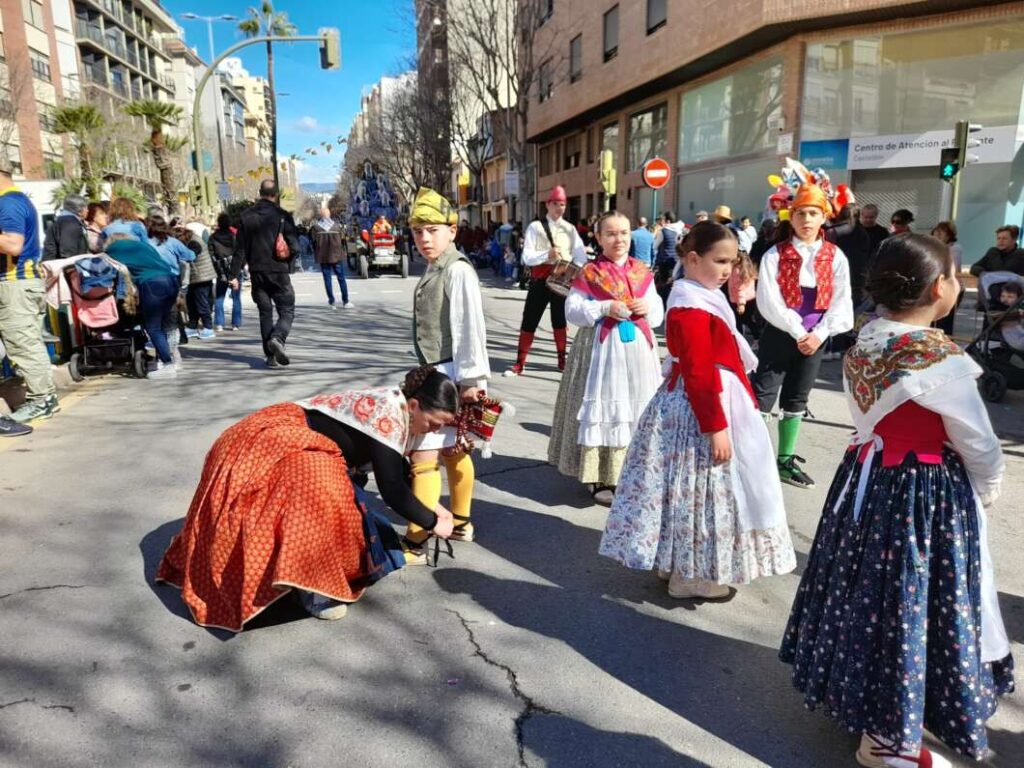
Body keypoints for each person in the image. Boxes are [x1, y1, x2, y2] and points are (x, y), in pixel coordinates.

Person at [780, 234, 1013, 768]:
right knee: (911, 603)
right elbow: (978, 441)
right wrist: (988, 488)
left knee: (868, 595)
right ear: (938, 288)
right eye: (952, 276)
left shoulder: (866, 340)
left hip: (869, 479)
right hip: (921, 492)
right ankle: (889, 739)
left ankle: (865, 702)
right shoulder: (937, 358)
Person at [156, 365, 460, 630]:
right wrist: (433, 522)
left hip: (308, 442)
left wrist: (432, 508)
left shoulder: (401, 407)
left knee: (339, 501)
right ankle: (310, 588)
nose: (434, 431)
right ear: (414, 405)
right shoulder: (389, 414)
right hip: (281, 437)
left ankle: (303, 576)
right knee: (320, 495)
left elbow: (396, 469)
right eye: (434, 423)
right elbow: (391, 488)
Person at [599, 222, 794, 598]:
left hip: (696, 401)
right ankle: (691, 576)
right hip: (701, 407)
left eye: (731, 262)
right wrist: (716, 426)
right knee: (701, 491)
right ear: (692, 259)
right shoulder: (691, 306)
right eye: (719, 261)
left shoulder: (699, 296)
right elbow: (699, 371)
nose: (727, 270)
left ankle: (673, 562)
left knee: (680, 488)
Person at [555, 210, 664, 506]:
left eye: (624, 233)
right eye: (611, 234)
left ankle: (633, 472)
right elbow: (573, 311)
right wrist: (604, 308)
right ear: (599, 238)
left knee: (636, 407)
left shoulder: (641, 271)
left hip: (638, 351)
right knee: (606, 408)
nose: (619, 239)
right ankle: (600, 477)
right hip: (602, 352)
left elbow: (657, 311)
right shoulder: (590, 272)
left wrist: (647, 307)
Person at [404, 187, 490, 561]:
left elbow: (470, 327)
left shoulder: (456, 269)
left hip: (449, 374)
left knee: (424, 458)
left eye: (432, 230)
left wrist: (470, 381)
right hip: (439, 372)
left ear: (452, 230)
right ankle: (461, 523)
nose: (424, 238)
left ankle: (417, 540)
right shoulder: (438, 265)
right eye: (418, 231)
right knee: (455, 452)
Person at [751, 180, 853, 490]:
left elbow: (841, 301)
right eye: (800, 213)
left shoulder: (835, 256)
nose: (806, 220)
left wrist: (820, 333)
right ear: (790, 216)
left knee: (797, 397)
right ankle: (753, 460)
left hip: (815, 338)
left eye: (813, 213)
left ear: (824, 216)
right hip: (781, 333)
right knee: (763, 395)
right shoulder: (775, 255)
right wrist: (798, 331)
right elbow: (769, 300)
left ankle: (785, 460)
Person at [0, 159, 58, 424]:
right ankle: (44, 397)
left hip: (16, 283)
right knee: (26, 342)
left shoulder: (8, 203)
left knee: (23, 344)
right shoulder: (16, 200)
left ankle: (41, 400)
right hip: (21, 283)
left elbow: (13, 245)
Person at [506, 186, 587, 375]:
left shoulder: (570, 229)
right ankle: (520, 363)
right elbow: (526, 257)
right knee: (529, 321)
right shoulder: (535, 227)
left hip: (561, 282)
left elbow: (580, 256)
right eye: (556, 204)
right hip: (540, 281)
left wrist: (572, 271)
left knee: (559, 321)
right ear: (548, 205)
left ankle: (562, 361)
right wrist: (546, 255)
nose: (560, 208)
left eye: (563, 204)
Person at [229, 180, 299, 369]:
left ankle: (270, 357)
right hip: (278, 271)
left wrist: (233, 275)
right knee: (287, 310)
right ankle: (278, 338)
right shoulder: (283, 216)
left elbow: (239, 250)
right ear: (276, 194)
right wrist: (289, 263)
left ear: (260, 192)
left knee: (265, 313)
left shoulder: (246, 216)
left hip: (257, 272)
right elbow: (295, 246)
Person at [105, 235, 181, 379]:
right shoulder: (143, 246)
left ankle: (167, 364)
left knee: (153, 327)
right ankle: (167, 360)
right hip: (171, 280)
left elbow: (104, 266)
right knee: (162, 325)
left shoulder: (113, 249)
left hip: (152, 283)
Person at [147, 214, 195, 368]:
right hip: (171, 283)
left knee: (155, 324)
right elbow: (190, 255)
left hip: (149, 284)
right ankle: (175, 355)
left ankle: (161, 356)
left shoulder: (144, 243)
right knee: (171, 321)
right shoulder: (172, 242)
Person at [176, 222, 217, 339]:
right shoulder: (191, 240)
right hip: (196, 277)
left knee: (201, 303)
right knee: (191, 303)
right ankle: (192, 326)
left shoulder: (194, 242)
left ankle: (208, 328)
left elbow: (189, 256)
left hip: (201, 277)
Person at [311, 205, 352, 310]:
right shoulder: (337, 227)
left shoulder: (316, 228)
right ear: (329, 215)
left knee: (327, 279)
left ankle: (332, 302)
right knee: (341, 279)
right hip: (337, 256)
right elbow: (343, 240)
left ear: (321, 215)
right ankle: (346, 301)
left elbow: (313, 242)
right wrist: (344, 251)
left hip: (323, 256)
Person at [931, 220, 965, 335]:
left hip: (950, 287)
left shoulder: (955, 248)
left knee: (944, 320)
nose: (938, 235)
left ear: (949, 235)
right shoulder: (934, 247)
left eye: (942, 233)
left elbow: (950, 267)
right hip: (936, 285)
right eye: (936, 232)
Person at [208, 214, 241, 332]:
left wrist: (216, 268)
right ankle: (235, 324)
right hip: (234, 269)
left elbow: (211, 254)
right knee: (236, 298)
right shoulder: (234, 236)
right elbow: (239, 253)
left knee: (219, 297)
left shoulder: (213, 237)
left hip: (221, 270)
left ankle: (219, 323)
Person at [42, 195, 89, 262]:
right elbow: (68, 253)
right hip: (64, 265)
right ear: (79, 210)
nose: (87, 211)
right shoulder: (70, 224)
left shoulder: (62, 221)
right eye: (86, 208)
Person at [653, 211, 685, 304]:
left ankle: (664, 305)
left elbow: (654, 246)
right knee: (673, 286)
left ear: (668, 221)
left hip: (665, 263)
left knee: (664, 286)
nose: (662, 221)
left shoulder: (664, 231)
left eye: (663, 219)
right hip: (676, 262)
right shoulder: (680, 230)